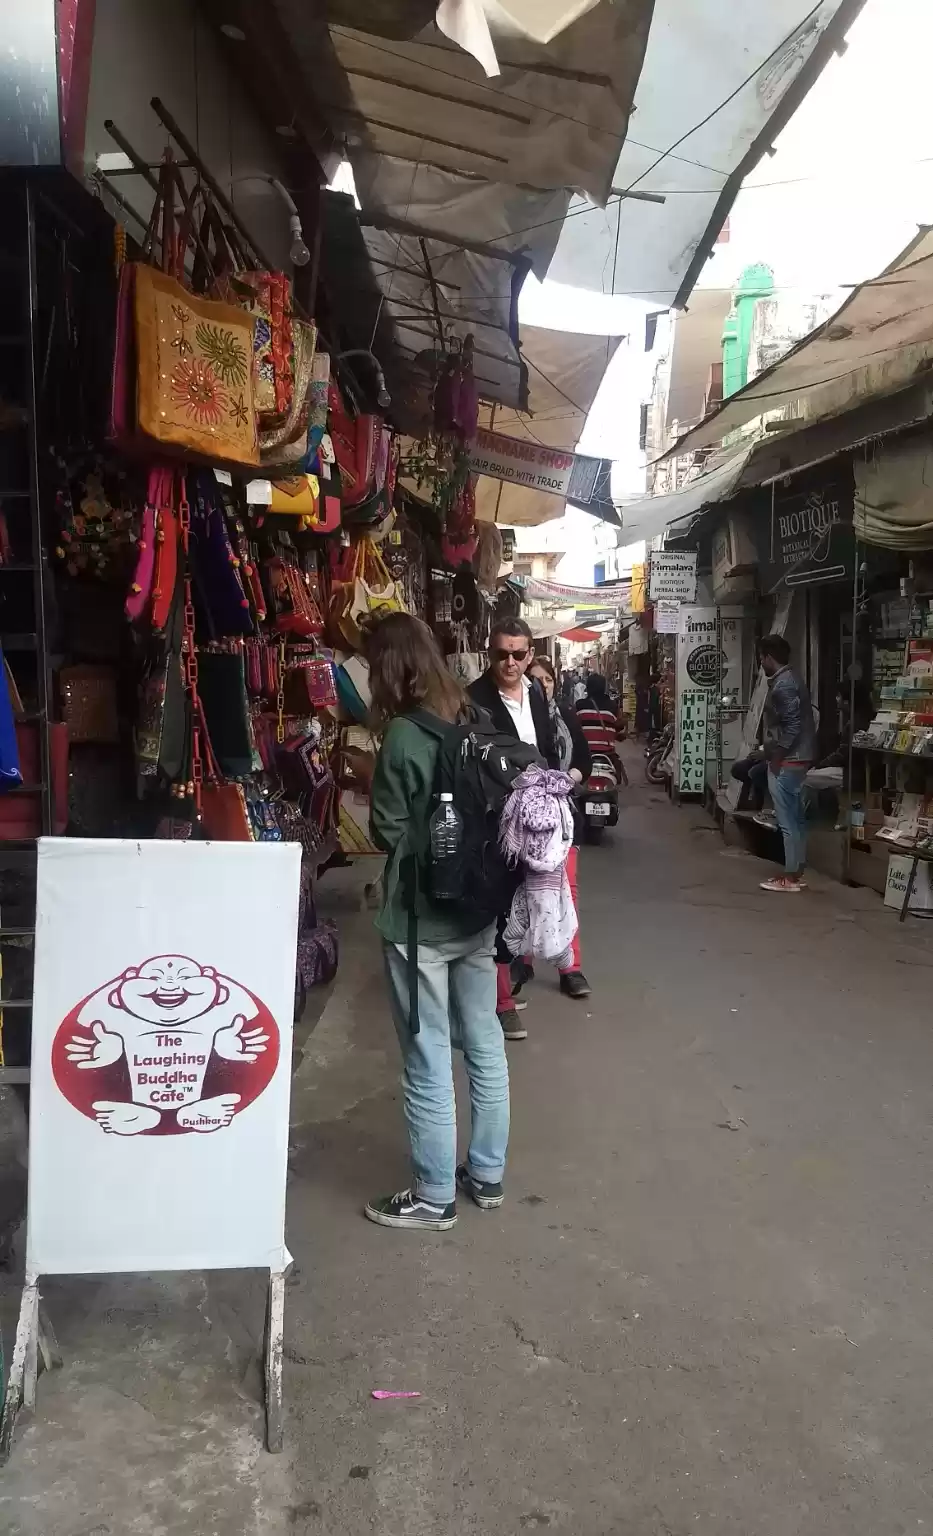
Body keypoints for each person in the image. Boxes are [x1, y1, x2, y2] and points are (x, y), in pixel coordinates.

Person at [365, 613, 510, 1231]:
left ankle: (432, 1194)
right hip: (475, 913)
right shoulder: (473, 715)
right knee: (484, 1043)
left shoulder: (402, 734)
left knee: (426, 1055)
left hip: (419, 923)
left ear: (390, 668)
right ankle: (487, 1174)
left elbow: (386, 829)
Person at [468, 618, 556, 1041]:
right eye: (502, 654)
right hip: (496, 821)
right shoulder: (475, 700)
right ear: (490, 654)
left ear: (530, 656)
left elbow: (550, 745)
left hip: (538, 817)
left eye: (518, 654)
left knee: (533, 900)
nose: (510, 662)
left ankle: (513, 979)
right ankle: (500, 1003)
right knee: (500, 906)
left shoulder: (536, 693)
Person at [527, 655, 592, 1001]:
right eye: (534, 680)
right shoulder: (518, 720)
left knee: (568, 892)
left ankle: (571, 968)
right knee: (524, 892)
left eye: (547, 680)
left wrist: (568, 779)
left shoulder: (566, 716)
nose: (541, 686)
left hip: (565, 817)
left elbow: (585, 758)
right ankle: (521, 961)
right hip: (529, 823)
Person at [757, 633, 818, 894]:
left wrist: (776, 757)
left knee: (787, 820)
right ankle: (796, 871)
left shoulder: (783, 685)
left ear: (769, 658)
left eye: (761, 657)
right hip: (796, 757)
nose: (760, 662)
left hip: (789, 760)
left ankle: (790, 876)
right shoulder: (791, 680)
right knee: (795, 818)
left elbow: (792, 727)